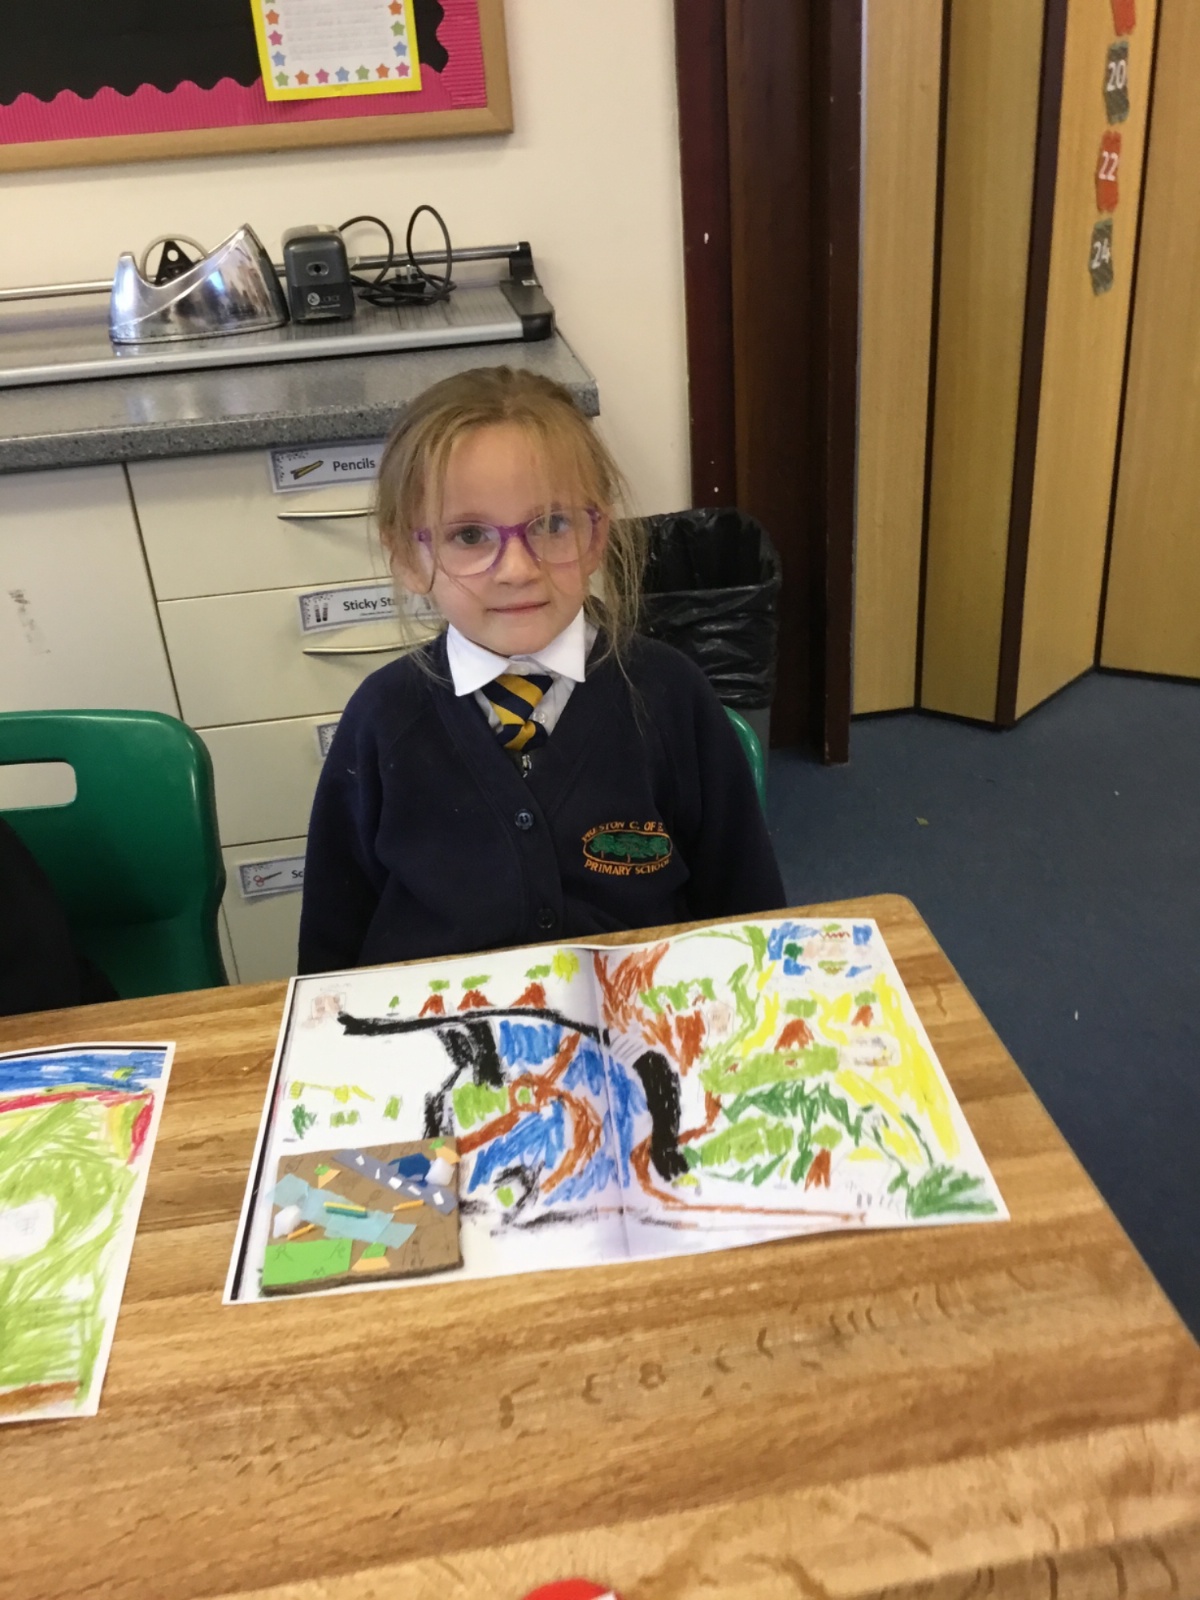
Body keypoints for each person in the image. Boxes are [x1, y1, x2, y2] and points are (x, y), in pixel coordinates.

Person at [298, 366, 784, 974]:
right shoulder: (381, 718)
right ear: (408, 557)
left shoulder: (671, 696)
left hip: (637, 1016)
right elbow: (331, 945)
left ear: (597, 535)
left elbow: (749, 918)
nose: (518, 569)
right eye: (469, 535)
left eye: (552, 524)